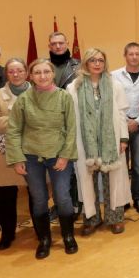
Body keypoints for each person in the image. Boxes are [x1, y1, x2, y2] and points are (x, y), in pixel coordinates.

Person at [7, 59, 78, 259]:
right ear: (30, 76)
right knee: (38, 199)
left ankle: (68, 236)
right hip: (31, 156)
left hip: (59, 155)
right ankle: (44, 239)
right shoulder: (23, 99)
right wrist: (17, 159)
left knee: (62, 197)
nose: (42, 76)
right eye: (37, 72)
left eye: (46, 71)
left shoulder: (64, 97)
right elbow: (14, 131)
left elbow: (71, 129)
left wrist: (65, 156)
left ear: (53, 74)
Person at [68, 48, 131, 235]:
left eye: (100, 60)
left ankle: (115, 218)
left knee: (113, 179)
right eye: (93, 60)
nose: (97, 64)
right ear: (85, 63)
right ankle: (91, 218)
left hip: (111, 140)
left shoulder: (114, 85)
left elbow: (121, 113)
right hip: (84, 142)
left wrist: (123, 138)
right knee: (88, 180)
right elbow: (70, 117)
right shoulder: (74, 87)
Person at [112, 42, 139, 214]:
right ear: (125, 55)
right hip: (120, 125)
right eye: (131, 54)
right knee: (121, 165)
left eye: (137, 54)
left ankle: (138, 198)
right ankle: (123, 198)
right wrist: (126, 121)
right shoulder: (114, 76)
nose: (134, 57)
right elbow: (112, 101)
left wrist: (138, 120)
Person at [47, 32, 81, 218]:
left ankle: (75, 203)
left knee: (73, 164)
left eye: (61, 43)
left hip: (73, 118)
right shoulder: (43, 66)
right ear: (49, 46)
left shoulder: (79, 66)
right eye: (54, 44)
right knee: (55, 165)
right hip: (50, 122)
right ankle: (59, 204)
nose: (58, 46)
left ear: (67, 43)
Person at [0, 58, 29, 249]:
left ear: (26, 72)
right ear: (6, 74)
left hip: (33, 151)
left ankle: (41, 232)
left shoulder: (38, 92)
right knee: (5, 195)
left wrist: (8, 119)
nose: (16, 74)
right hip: (5, 153)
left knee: (36, 194)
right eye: (11, 71)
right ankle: (8, 234)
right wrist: (23, 119)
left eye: (19, 70)